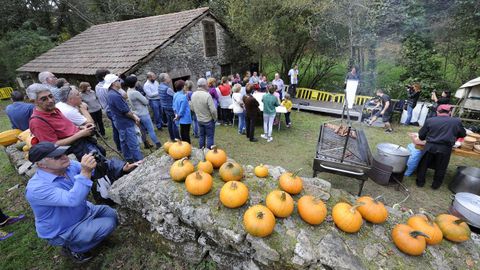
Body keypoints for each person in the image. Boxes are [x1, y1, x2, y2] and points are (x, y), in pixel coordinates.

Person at [25, 142, 118, 263]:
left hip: (84, 211)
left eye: (63, 152)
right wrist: (85, 172)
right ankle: (74, 248)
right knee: (108, 224)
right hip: (64, 229)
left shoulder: (68, 166)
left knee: (114, 215)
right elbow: (73, 199)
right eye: (57, 156)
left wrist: (122, 167)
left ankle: (87, 235)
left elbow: (96, 170)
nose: (64, 156)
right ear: (41, 164)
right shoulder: (36, 188)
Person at [28, 84, 136, 184]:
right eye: (44, 99)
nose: (50, 100)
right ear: (34, 101)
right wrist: (80, 134)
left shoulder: (54, 109)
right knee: (97, 168)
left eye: (51, 96)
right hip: (73, 148)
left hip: (82, 141)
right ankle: (108, 189)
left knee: (101, 157)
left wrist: (81, 128)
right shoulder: (37, 121)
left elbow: (66, 127)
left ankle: (117, 176)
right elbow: (53, 145)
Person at [416, 104, 466, 189]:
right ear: (449, 112)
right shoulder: (456, 121)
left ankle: (420, 182)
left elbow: (421, 136)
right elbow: (463, 134)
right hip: (445, 148)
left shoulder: (430, 120)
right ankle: (436, 185)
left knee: (423, 165)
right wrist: (453, 136)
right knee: (441, 167)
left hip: (430, 146)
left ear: (437, 112)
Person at [106, 74, 143, 162]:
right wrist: (135, 118)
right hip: (125, 123)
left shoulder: (112, 93)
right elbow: (125, 111)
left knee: (124, 142)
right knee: (133, 144)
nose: (120, 82)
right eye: (118, 80)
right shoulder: (115, 95)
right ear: (114, 83)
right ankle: (140, 161)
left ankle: (129, 159)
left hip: (120, 122)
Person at [126, 76, 161, 149]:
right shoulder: (135, 92)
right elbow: (146, 102)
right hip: (143, 113)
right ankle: (158, 144)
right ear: (134, 83)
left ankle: (146, 144)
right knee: (150, 129)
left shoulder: (128, 91)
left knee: (142, 130)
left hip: (136, 113)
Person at [95, 69, 121, 151]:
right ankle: (121, 147)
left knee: (115, 128)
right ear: (104, 77)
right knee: (119, 128)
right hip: (112, 109)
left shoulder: (97, 86)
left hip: (106, 109)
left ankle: (119, 146)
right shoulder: (106, 87)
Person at [191, 78, 217, 149]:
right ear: (204, 85)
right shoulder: (207, 95)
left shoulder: (193, 94)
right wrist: (215, 118)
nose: (208, 86)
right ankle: (208, 153)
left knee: (202, 136)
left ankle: (201, 150)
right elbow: (213, 110)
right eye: (207, 85)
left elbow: (192, 107)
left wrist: (197, 113)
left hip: (199, 119)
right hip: (208, 120)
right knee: (209, 137)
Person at [159, 73, 180, 141]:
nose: (170, 78)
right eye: (168, 77)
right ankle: (177, 138)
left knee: (170, 123)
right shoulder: (167, 88)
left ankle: (172, 137)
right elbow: (175, 96)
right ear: (165, 79)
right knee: (174, 123)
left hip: (164, 107)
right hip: (171, 107)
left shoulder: (159, 86)